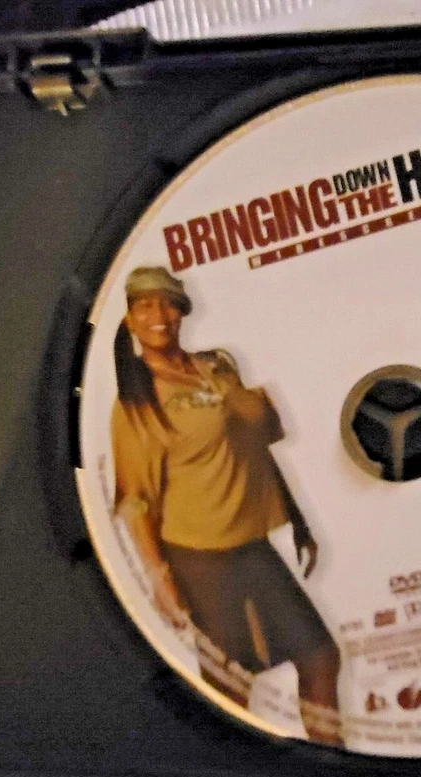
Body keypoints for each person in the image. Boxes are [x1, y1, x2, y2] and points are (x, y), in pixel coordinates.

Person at [110, 265, 341, 745]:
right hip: (198, 556)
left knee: (319, 657)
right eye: (144, 305)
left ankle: (335, 766)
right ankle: (238, 775)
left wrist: (298, 521)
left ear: (182, 311)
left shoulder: (216, 367)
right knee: (230, 682)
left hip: (251, 544)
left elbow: (257, 449)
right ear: (129, 320)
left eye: (168, 302)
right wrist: (160, 579)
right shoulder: (136, 400)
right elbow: (134, 500)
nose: (158, 313)